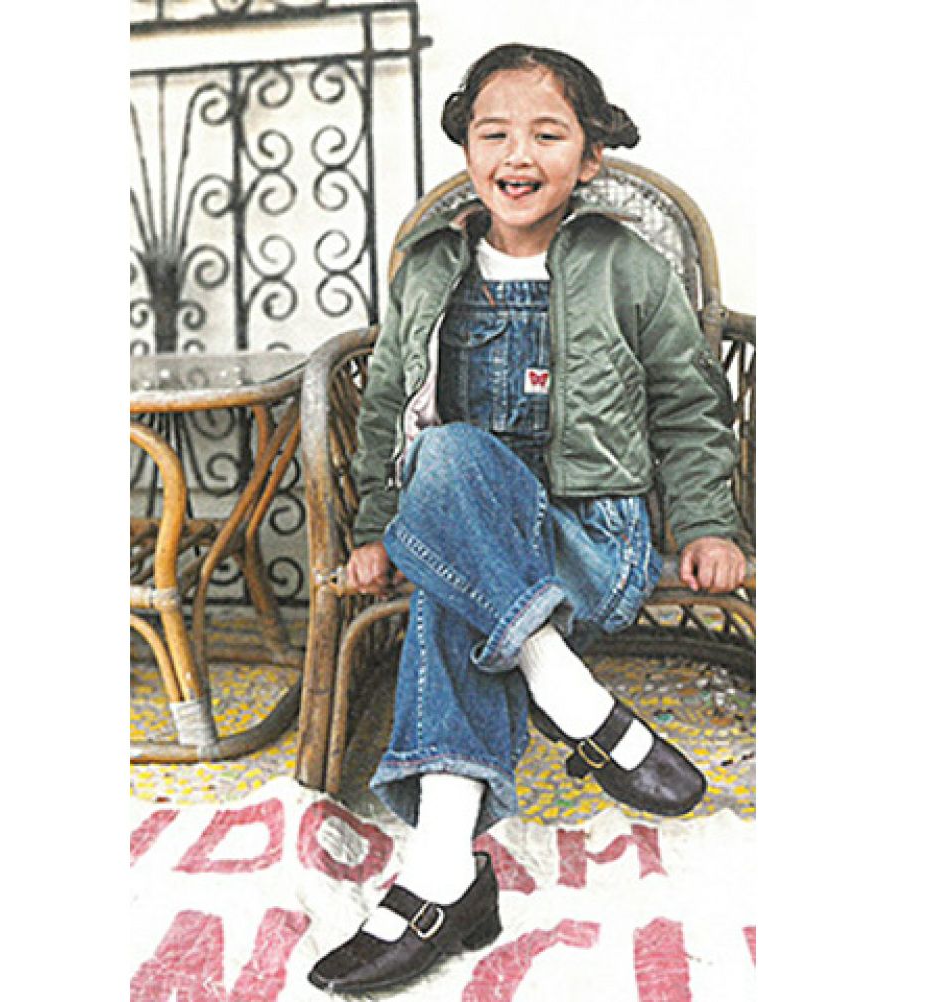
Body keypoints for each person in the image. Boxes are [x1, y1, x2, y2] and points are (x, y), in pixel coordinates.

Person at [308, 42, 747, 995]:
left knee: (454, 583)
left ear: (589, 159)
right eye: (493, 133)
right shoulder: (429, 269)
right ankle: (559, 709)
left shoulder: (626, 265)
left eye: (548, 134)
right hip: (468, 529)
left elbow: (689, 401)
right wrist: (378, 526)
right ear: (466, 148)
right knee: (447, 460)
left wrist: (709, 522)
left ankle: (443, 877)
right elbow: (387, 411)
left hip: (592, 538)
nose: (517, 153)